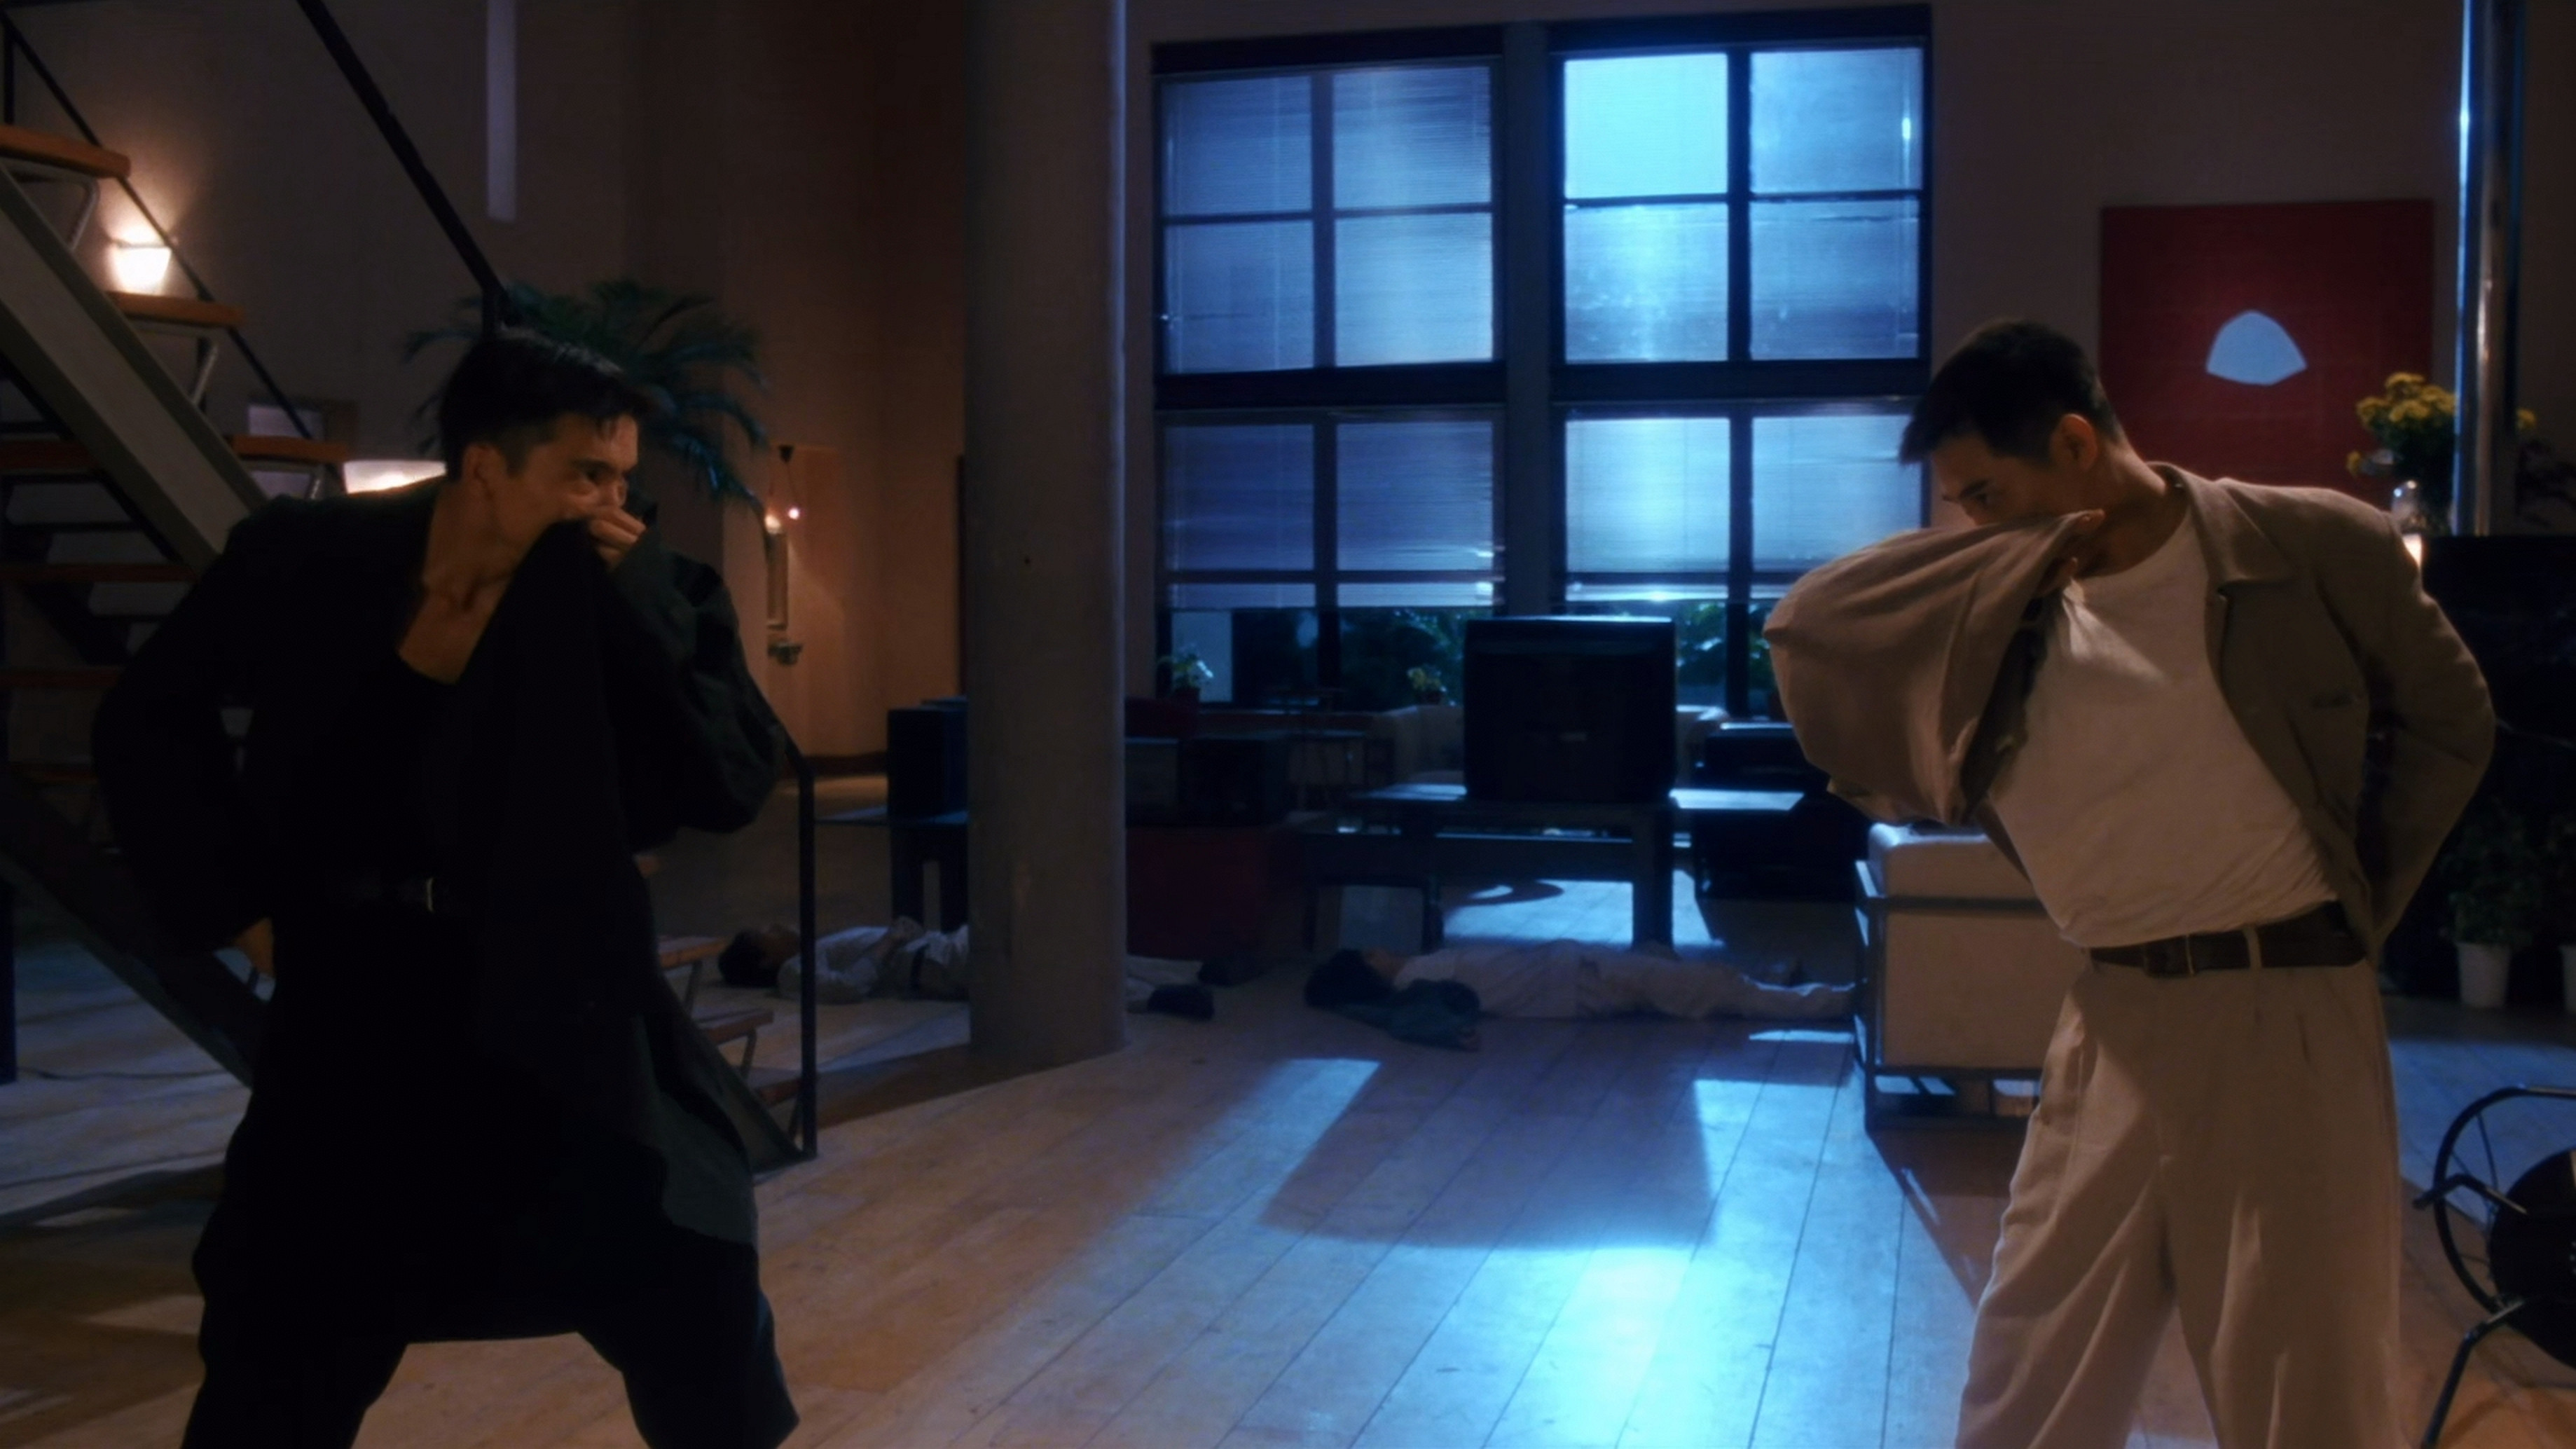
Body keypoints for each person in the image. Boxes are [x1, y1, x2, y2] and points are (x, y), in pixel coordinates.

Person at [1763, 320, 2492, 1449]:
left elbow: (2451, 720)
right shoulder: (2008, 608)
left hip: (2285, 1005)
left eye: (1985, 495)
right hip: (2108, 1013)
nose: (1974, 522)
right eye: (1959, 505)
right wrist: (1997, 552)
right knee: (2029, 1374)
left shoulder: (2303, 543)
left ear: (2072, 443)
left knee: (2305, 1385)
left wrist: (2355, 904)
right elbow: (1809, 625)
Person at [95, 331, 799, 1448]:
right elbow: (147, 719)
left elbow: (730, 782)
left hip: (560, 985)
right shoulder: (313, 559)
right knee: (291, 1317)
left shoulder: (630, 585)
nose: (612, 506)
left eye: (623, 479)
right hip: (359, 991)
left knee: (690, 1282)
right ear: (485, 466)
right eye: (585, 475)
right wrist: (236, 908)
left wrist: (648, 607)